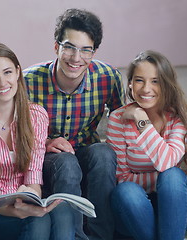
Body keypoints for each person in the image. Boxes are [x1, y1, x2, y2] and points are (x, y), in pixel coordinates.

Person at [0, 42, 75, 240]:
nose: (3, 83)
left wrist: (31, 201)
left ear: (18, 72)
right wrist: (19, 211)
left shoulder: (36, 115)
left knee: (62, 211)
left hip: (22, 203)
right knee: (37, 219)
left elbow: (33, 178)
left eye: (7, 72)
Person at [23, 8, 125, 240]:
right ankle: (73, 236)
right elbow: (13, 131)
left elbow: (123, 124)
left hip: (87, 153)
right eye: (69, 47)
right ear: (56, 47)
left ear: (94, 52)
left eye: (85, 50)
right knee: (66, 163)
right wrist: (45, 142)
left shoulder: (108, 77)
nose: (76, 58)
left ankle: (101, 236)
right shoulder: (29, 81)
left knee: (104, 153)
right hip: (48, 159)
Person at [106, 50, 187, 240]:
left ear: (166, 85)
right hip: (133, 210)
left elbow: (165, 163)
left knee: (172, 176)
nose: (146, 89)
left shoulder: (177, 118)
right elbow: (122, 177)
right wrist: (160, 180)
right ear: (130, 84)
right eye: (139, 80)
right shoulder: (118, 119)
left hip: (175, 207)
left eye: (155, 81)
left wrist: (141, 120)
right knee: (125, 191)